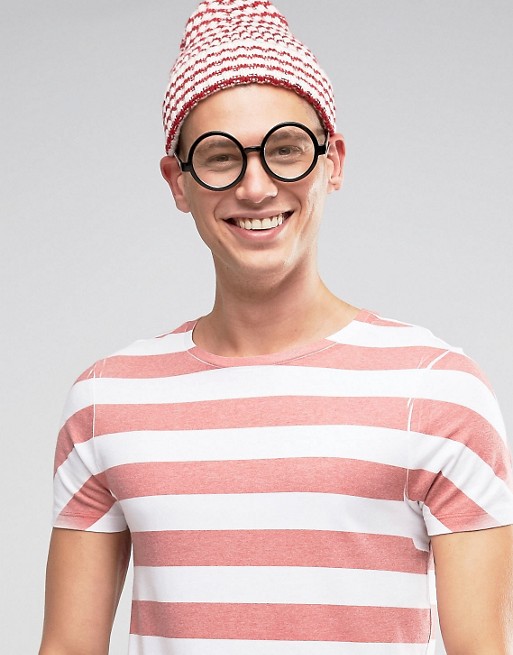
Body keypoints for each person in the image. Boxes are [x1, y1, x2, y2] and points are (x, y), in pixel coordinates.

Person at [39, 1, 513, 653]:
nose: (256, 188)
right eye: (219, 156)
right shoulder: (106, 402)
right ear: (177, 182)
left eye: (285, 150)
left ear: (332, 162)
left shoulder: (438, 394)